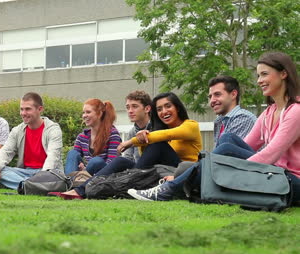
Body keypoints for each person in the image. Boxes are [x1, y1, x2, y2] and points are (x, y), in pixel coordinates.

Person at [129, 51, 300, 203]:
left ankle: (170, 188)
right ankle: (178, 181)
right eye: (258, 76)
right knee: (227, 141)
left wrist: (228, 168)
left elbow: (270, 154)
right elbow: (244, 146)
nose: (259, 81)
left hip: (290, 179)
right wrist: (221, 165)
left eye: (264, 74)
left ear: (283, 74)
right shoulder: (269, 113)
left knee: (223, 150)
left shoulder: (295, 111)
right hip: (274, 173)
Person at [51, 92, 201, 199]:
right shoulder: (157, 130)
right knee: (121, 161)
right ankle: (80, 190)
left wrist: (132, 141)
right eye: (160, 109)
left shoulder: (190, 126)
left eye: (168, 106)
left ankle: (118, 184)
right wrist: (141, 141)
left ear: (178, 108)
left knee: (156, 145)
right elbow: (146, 155)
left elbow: (163, 137)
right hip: (157, 171)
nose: (164, 112)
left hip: (183, 172)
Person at [0, 92, 63, 190]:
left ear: (40, 109)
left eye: (28, 109)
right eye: (21, 109)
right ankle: (31, 186)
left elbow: (53, 156)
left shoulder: (53, 129)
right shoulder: (17, 130)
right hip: (25, 172)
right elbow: (6, 151)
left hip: (48, 172)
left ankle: (25, 185)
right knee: (2, 171)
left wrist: (42, 177)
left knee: (54, 178)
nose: (23, 113)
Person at [64, 98, 121, 176]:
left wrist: (86, 169)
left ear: (100, 114)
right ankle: (70, 182)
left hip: (105, 176)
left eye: (88, 112)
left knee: (96, 161)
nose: (84, 116)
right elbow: (75, 160)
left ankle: (82, 179)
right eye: (83, 112)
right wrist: (82, 168)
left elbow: (112, 164)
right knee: (72, 153)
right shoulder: (82, 137)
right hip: (87, 175)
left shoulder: (112, 134)